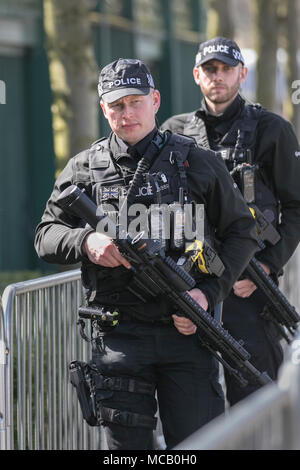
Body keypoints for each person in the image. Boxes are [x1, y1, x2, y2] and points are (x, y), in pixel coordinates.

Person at [35, 58, 258, 450]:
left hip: (187, 334)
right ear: (104, 109)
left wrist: (209, 293)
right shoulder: (84, 169)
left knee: (198, 446)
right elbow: (45, 235)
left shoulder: (198, 163)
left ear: (155, 100)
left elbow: (242, 232)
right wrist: (86, 243)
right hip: (119, 337)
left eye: (135, 101)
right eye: (116, 105)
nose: (127, 113)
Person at [161, 36, 300, 406]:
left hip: (249, 287)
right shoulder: (174, 132)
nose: (217, 77)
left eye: (226, 69)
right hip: (192, 288)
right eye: (210, 69)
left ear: (243, 73)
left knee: (256, 399)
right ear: (196, 75)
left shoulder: (273, 129)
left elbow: (296, 206)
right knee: (194, 403)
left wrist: (269, 266)